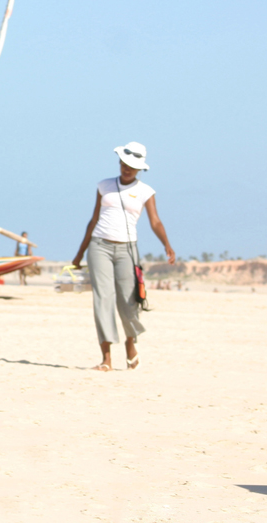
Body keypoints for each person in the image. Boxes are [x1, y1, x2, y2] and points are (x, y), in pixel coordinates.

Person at [71, 142, 175, 371]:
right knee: (103, 299)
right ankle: (106, 358)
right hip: (99, 246)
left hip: (127, 249)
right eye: (124, 164)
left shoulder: (146, 191)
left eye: (131, 166)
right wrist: (80, 253)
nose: (126, 169)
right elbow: (94, 219)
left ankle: (130, 342)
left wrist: (166, 244)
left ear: (139, 169)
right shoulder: (104, 186)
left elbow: (155, 221)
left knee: (129, 302)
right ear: (119, 162)